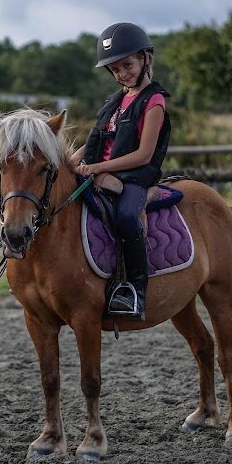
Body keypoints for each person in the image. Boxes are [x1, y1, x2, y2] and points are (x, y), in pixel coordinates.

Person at [72, 22, 171, 320]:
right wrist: (64, 162)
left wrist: (98, 167)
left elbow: (144, 155)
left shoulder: (154, 101)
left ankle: (135, 291)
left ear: (146, 59)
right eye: (115, 69)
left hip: (135, 178)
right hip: (100, 173)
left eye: (127, 65)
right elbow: (92, 143)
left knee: (128, 217)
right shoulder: (113, 104)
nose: (122, 74)